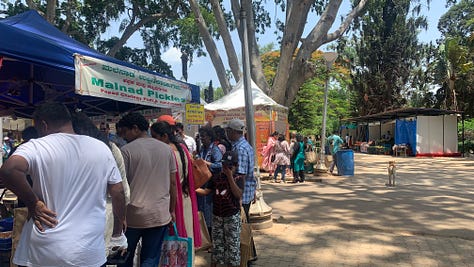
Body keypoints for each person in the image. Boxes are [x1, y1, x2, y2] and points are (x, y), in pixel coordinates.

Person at [0, 102, 126, 267]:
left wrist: (33, 202)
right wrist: (119, 228)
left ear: (43, 125)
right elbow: (118, 192)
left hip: (44, 251)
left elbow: (9, 170)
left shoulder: (37, 146)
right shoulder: (101, 148)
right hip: (87, 252)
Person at [118, 112, 177, 267]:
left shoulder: (126, 151)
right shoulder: (166, 150)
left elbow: (120, 188)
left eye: (125, 132)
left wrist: (119, 216)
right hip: (159, 214)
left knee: (125, 257)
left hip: (133, 216)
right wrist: (172, 210)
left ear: (135, 128)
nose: (123, 137)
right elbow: (173, 184)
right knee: (150, 258)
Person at [71, 111, 131, 257]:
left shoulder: (63, 150)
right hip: (101, 218)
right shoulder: (109, 148)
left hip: (73, 221)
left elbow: (119, 192)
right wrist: (119, 227)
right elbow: (121, 192)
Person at [150, 121, 201, 257]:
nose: (153, 141)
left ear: (165, 136)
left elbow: (171, 183)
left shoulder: (166, 153)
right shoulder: (182, 149)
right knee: (186, 239)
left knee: (173, 244)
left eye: (155, 137)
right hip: (186, 198)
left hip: (173, 202)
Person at [196, 151, 244, 267]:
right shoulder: (217, 177)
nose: (225, 168)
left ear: (236, 166)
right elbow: (206, 191)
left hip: (231, 217)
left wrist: (230, 177)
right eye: (224, 165)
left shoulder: (239, 178)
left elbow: (238, 194)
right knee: (217, 248)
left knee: (232, 249)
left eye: (229, 166)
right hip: (217, 216)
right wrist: (193, 189)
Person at [224, 118, 257, 262]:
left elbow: (241, 175)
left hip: (241, 195)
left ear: (232, 131)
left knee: (241, 227)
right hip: (245, 193)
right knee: (244, 225)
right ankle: (249, 255)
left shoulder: (240, 148)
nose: (226, 133)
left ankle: (245, 257)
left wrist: (238, 197)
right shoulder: (242, 146)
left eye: (227, 130)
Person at [196, 126, 223, 239]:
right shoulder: (202, 149)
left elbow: (220, 165)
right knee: (201, 212)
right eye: (200, 136)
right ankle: (204, 237)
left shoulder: (215, 150)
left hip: (210, 186)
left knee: (209, 213)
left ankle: (211, 238)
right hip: (202, 183)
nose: (202, 139)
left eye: (204, 136)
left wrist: (205, 163)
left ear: (210, 137)